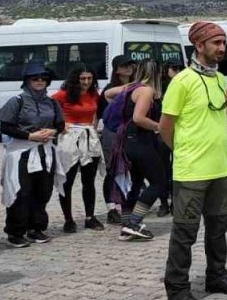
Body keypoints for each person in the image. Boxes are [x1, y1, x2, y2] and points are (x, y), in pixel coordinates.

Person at [159, 22, 227, 300]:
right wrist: (184, 153)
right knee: (185, 232)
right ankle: (177, 291)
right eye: (215, 42)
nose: (222, 47)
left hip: (220, 169)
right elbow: (165, 127)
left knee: (218, 228)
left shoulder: (219, 78)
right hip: (191, 172)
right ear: (198, 45)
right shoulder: (182, 81)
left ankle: (216, 276)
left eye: (224, 42)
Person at [0, 61, 65, 248]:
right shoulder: (17, 101)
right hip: (22, 150)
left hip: (45, 150)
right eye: (35, 78)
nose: (40, 81)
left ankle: (36, 227)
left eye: (43, 78)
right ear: (27, 80)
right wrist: (30, 135)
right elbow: (6, 126)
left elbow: (60, 124)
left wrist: (52, 132)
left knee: (43, 190)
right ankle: (15, 231)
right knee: (21, 191)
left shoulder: (51, 102)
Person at [116, 60, 172, 241]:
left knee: (135, 184)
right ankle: (134, 221)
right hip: (141, 141)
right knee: (159, 182)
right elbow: (139, 118)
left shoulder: (131, 88)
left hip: (127, 141)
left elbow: (108, 93)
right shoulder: (147, 90)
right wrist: (159, 127)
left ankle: (126, 225)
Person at [52, 64, 105, 234]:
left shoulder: (93, 94)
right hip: (70, 138)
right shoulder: (63, 95)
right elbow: (50, 107)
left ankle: (90, 217)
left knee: (89, 181)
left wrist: (94, 127)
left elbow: (95, 112)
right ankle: (68, 219)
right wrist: (61, 125)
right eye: (83, 78)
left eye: (89, 78)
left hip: (89, 136)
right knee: (68, 180)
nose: (86, 82)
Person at [99, 54, 136, 223]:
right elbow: (102, 111)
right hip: (113, 132)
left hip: (130, 132)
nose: (129, 68)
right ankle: (111, 207)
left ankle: (127, 203)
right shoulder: (110, 88)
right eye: (125, 65)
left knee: (131, 169)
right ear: (117, 69)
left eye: (131, 64)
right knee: (112, 170)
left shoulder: (137, 87)